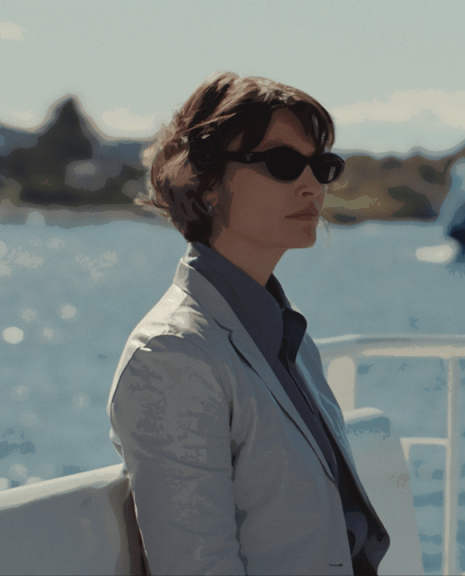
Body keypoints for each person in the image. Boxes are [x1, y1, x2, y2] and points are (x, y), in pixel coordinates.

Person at [106, 72, 389, 575]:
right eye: (283, 164)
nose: (311, 185)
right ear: (205, 183)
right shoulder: (172, 355)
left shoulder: (287, 334)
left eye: (321, 166)